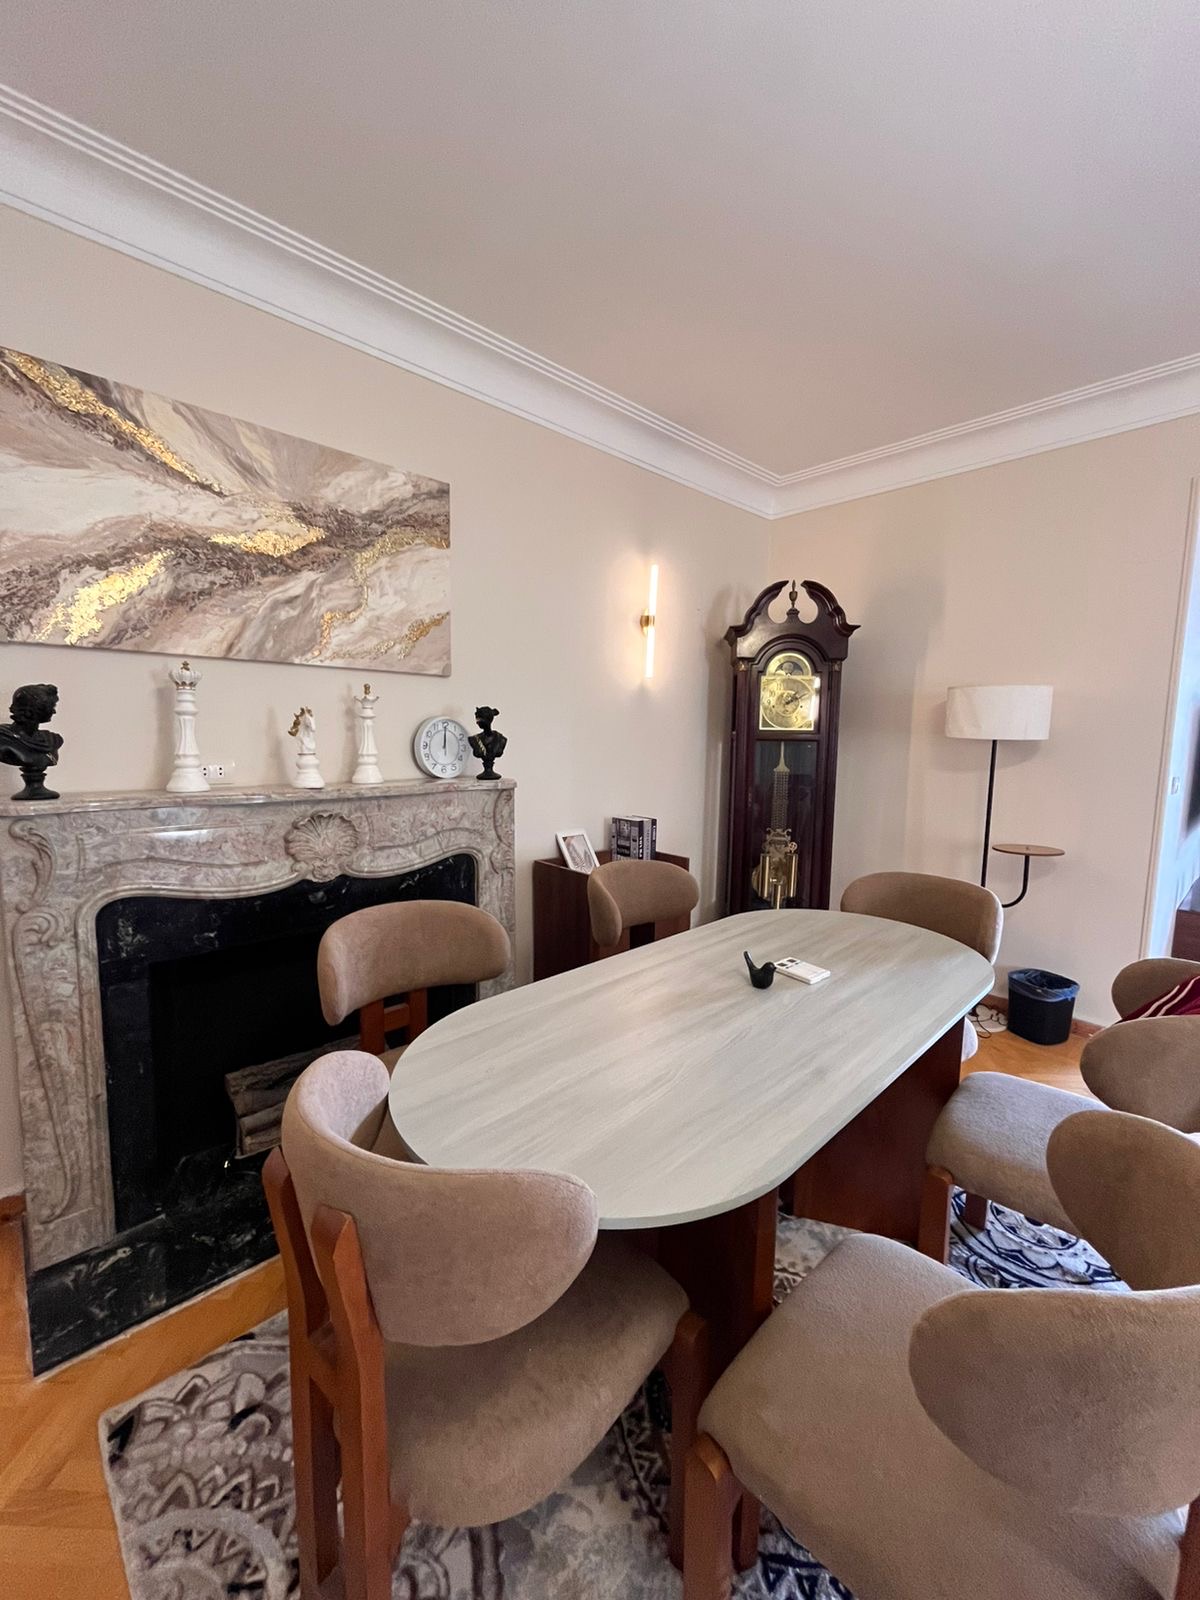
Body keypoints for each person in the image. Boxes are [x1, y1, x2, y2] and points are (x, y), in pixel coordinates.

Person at [0, 683, 63, 801]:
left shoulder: (52, 739)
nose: (54, 711)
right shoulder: (3, 739)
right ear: (32, 710)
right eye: (50, 706)